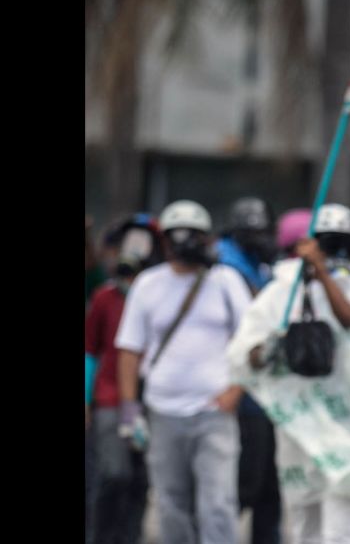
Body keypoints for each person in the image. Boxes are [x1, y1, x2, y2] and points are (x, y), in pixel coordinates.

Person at [226, 203, 350, 544]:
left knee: (340, 528)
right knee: (305, 524)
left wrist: (322, 273)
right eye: (328, 242)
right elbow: (246, 354)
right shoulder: (283, 292)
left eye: (343, 243)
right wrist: (270, 347)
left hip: (347, 428)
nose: (336, 251)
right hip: (300, 429)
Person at [114, 199, 252, 544]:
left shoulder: (225, 281)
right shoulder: (148, 284)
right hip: (163, 411)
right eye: (178, 236)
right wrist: (131, 411)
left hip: (213, 412)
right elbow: (129, 350)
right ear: (164, 241)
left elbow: (249, 341)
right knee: (170, 502)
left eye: (194, 236)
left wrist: (235, 391)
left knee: (217, 502)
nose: (186, 243)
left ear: (208, 240)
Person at [86, 213, 162, 544]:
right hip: (110, 399)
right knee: (113, 473)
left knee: (140, 480)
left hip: (152, 401)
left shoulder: (161, 294)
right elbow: (90, 351)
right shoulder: (106, 296)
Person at [217, 196, 282, 544]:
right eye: (253, 232)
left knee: (270, 489)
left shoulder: (261, 266)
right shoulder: (226, 269)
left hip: (266, 395)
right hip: (241, 395)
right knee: (246, 484)